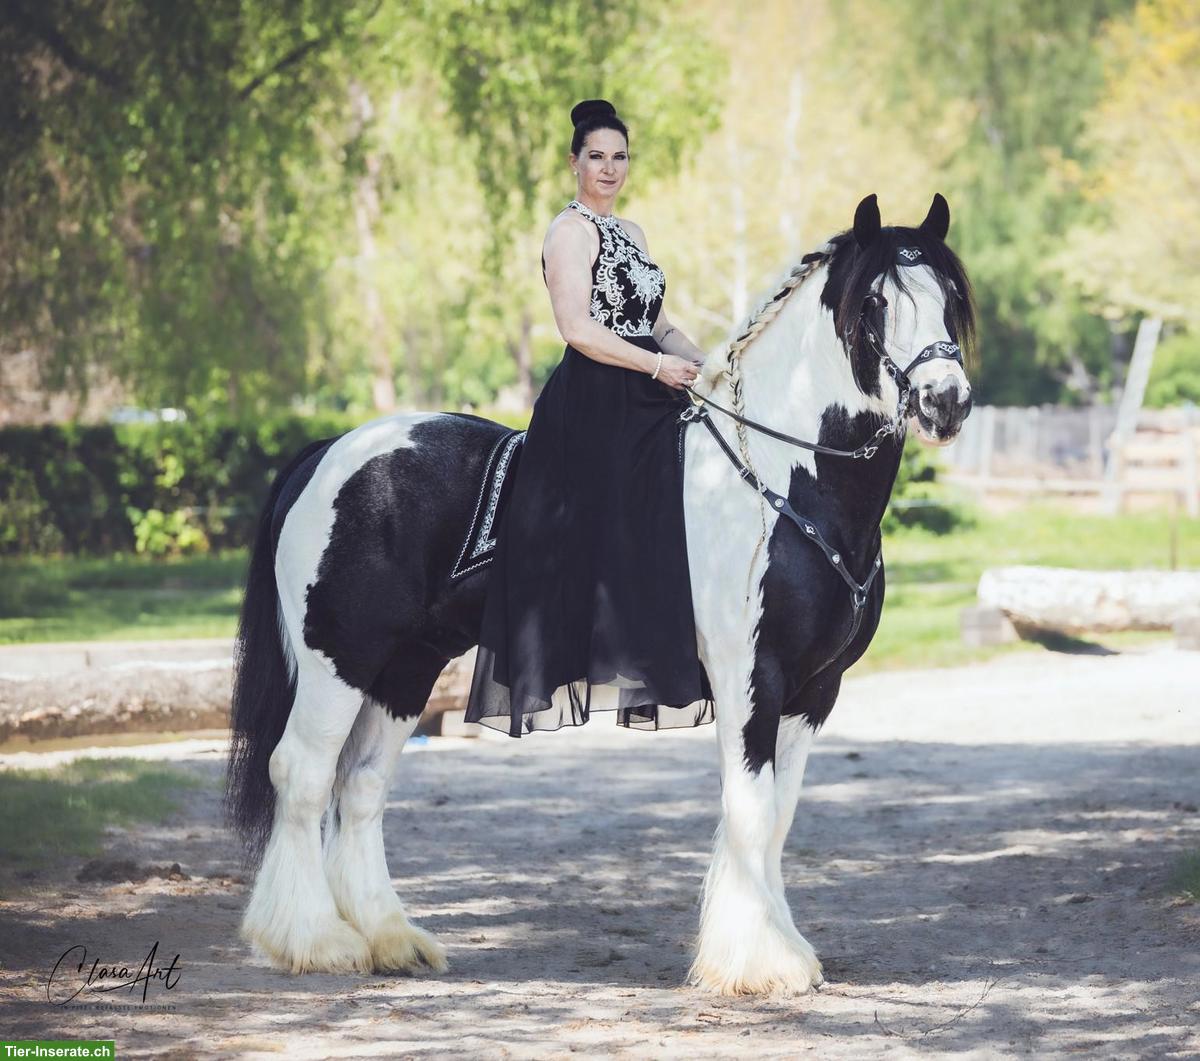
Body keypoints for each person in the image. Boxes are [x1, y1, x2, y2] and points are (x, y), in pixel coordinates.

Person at [463, 98, 715, 737]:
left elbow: (658, 322)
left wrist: (709, 364)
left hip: (649, 380)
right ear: (574, 162)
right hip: (597, 396)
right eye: (596, 157)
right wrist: (657, 368)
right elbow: (577, 329)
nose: (608, 169)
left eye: (619, 157)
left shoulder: (633, 233)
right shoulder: (568, 232)